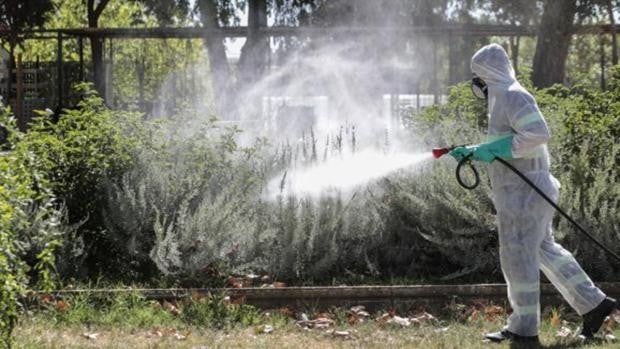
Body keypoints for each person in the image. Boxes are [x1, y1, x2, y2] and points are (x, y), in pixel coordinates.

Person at [449, 43, 617, 344]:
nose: (478, 83)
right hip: (522, 190)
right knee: (543, 249)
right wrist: (478, 151)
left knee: (517, 257)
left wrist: (491, 149)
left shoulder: (513, 95)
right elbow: (512, 140)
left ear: (490, 72)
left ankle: (524, 331)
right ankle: (594, 304)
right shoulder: (502, 97)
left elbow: (538, 133)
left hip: (525, 192)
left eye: (479, 76)